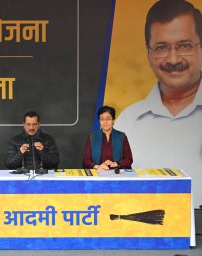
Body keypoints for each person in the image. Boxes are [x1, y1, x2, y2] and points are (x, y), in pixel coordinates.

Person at [114, 0, 202, 204]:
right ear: (149, 54)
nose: (173, 59)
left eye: (184, 45)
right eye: (162, 48)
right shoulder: (128, 123)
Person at [84, 106, 133, 170]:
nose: (105, 122)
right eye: (102, 119)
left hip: (117, 174)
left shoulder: (121, 136)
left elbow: (129, 159)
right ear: (99, 121)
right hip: (98, 174)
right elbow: (86, 160)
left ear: (113, 120)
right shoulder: (92, 137)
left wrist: (116, 163)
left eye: (108, 119)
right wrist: (98, 166)